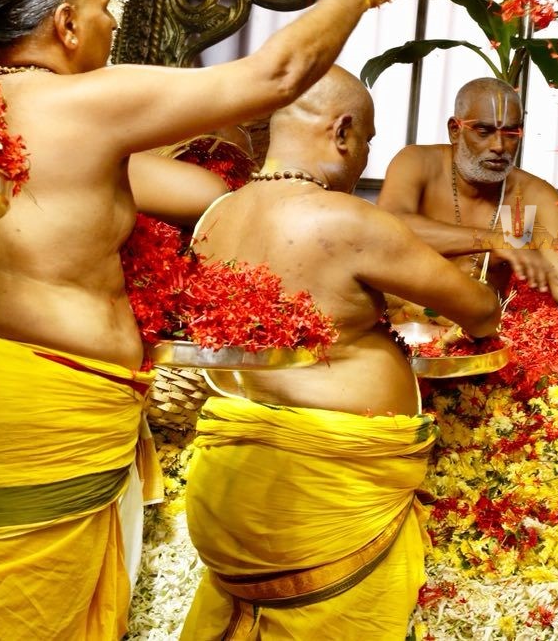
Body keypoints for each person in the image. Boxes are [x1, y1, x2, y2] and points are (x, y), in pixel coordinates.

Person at [0, 0, 429, 640]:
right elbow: (275, 75)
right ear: (66, 25)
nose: (112, 21)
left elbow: (168, 192)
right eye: (105, 6)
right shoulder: (85, 102)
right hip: (36, 431)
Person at [180, 66, 500, 640]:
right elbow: (478, 311)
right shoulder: (346, 219)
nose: (363, 158)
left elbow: (307, 304)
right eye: (369, 142)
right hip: (325, 497)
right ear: (344, 131)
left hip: (235, 481)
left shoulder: (217, 217)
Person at [377, 77, 558, 310]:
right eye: (483, 131)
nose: (499, 146)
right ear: (455, 130)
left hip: (478, 336)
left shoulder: (528, 198)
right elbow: (389, 230)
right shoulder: (420, 164)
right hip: (400, 325)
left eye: (511, 133)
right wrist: (495, 241)